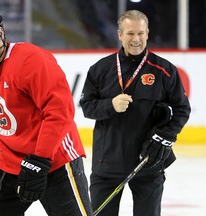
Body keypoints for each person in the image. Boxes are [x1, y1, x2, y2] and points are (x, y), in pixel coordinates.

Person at [0, 6, 92, 216]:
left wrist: (40, 159)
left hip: (55, 161)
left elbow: (59, 112)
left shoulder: (31, 60)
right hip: (11, 163)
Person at [79, 10, 190, 216]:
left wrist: (165, 137)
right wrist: (110, 105)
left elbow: (182, 109)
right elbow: (86, 107)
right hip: (107, 164)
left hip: (148, 162)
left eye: (140, 33)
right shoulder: (100, 69)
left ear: (147, 33)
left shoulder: (165, 71)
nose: (136, 39)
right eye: (130, 33)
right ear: (120, 34)